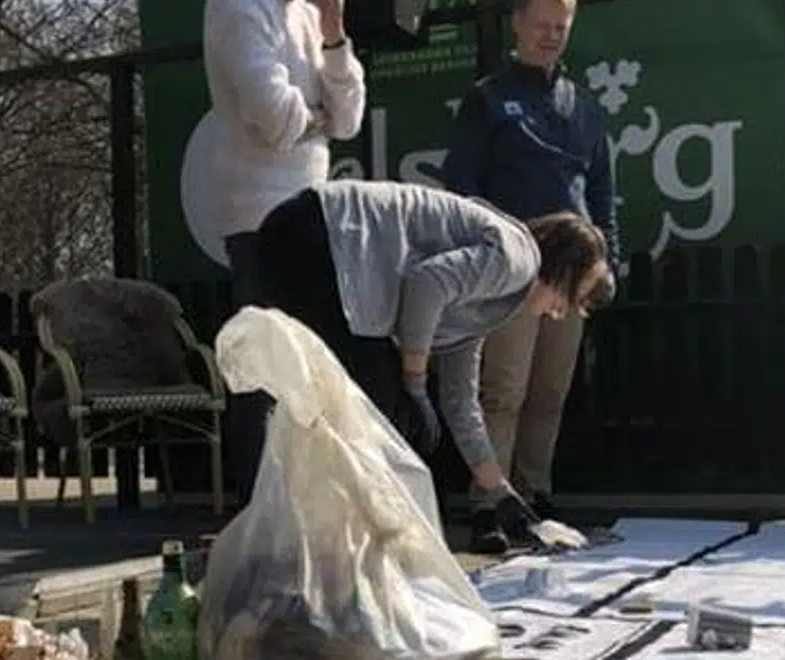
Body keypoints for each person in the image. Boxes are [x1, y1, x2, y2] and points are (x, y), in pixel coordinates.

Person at [250, 180, 612, 546]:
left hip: (309, 239)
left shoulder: (490, 302)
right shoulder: (518, 261)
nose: (563, 312)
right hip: (322, 237)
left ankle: (327, 541)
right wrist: (415, 379)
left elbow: (461, 403)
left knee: (360, 411)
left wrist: (500, 492)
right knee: (377, 411)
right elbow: (427, 283)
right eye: (575, 296)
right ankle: (347, 546)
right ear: (563, 269)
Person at [183, 0, 368, 505]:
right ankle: (258, 514)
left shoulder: (308, 10)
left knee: (310, 370)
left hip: (310, 213)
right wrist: (313, 119)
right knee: (261, 372)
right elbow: (275, 117)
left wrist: (336, 34)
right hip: (258, 219)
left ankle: (303, 508)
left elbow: (347, 118)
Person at [442, 0, 618, 552]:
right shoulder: (486, 99)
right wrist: (494, 252)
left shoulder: (583, 108)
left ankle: (532, 495)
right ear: (517, 23)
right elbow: (460, 188)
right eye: (541, 25)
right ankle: (489, 501)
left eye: (561, 28)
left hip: (571, 275)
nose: (550, 36)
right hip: (512, 270)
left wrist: (604, 263)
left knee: (550, 391)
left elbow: (601, 190)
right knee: (504, 390)